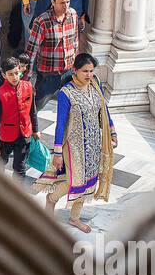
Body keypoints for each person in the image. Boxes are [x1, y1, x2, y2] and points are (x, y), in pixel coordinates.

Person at [49, 53, 116, 233]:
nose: (88, 75)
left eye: (91, 71)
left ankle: (74, 218)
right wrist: (56, 152)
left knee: (88, 181)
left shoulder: (96, 86)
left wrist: (112, 131)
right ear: (75, 70)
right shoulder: (66, 93)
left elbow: (104, 109)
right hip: (74, 146)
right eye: (85, 71)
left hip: (93, 143)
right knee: (75, 180)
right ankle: (51, 199)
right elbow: (60, 123)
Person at [25, 0, 80, 112]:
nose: (65, 6)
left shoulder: (73, 14)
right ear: (53, 2)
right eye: (62, 2)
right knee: (34, 108)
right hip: (48, 76)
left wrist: (77, 67)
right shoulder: (41, 22)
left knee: (70, 109)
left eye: (67, 2)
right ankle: (28, 131)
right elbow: (31, 51)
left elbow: (75, 42)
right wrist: (28, 78)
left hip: (68, 74)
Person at [0, 56, 41, 179]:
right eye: (10, 74)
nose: (14, 77)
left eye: (16, 73)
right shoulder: (0, 93)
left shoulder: (28, 86)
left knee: (20, 168)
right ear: (4, 75)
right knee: (2, 162)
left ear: (20, 71)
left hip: (24, 135)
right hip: (6, 136)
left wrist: (36, 129)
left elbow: (32, 110)